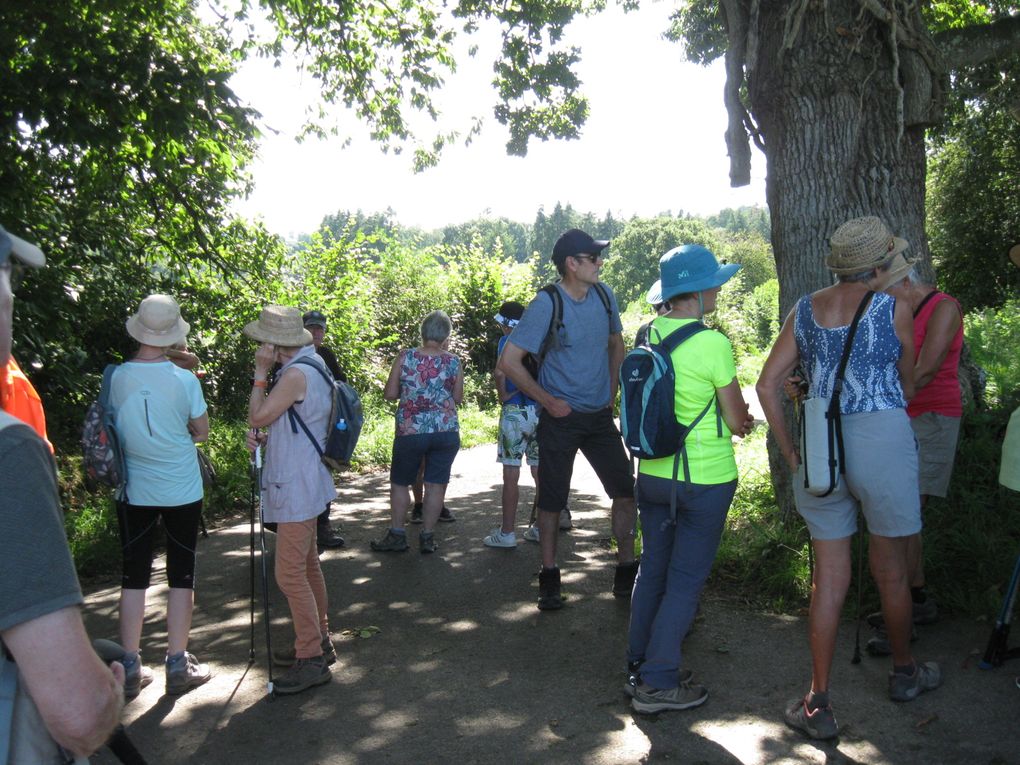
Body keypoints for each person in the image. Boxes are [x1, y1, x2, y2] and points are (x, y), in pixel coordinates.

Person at [756, 216, 941, 741]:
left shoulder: (805, 310)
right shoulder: (894, 307)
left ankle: (818, 702)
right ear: (880, 265)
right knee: (891, 570)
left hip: (821, 445)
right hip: (880, 438)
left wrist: (791, 452)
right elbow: (904, 387)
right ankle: (905, 673)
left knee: (829, 578)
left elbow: (768, 384)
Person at [0, 223, 123, 760]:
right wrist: (110, 693)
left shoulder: (116, 379)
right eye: (7, 294)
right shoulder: (8, 450)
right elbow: (79, 714)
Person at [626, 245, 754, 713]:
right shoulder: (711, 342)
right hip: (704, 480)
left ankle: (638, 666)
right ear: (696, 293)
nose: (718, 289)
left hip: (652, 476)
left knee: (652, 571)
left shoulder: (646, 333)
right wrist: (746, 424)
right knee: (684, 580)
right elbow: (736, 416)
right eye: (714, 283)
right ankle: (658, 682)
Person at [498, 228, 638, 610]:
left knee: (626, 491)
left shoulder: (605, 296)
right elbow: (509, 362)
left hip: (598, 417)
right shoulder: (547, 302)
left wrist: (611, 392)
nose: (600, 264)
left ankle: (626, 570)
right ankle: (549, 577)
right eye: (593, 259)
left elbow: (616, 344)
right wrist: (548, 402)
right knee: (552, 500)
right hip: (560, 419)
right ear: (571, 264)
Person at [112, 294, 213, 697]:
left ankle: (131, 664)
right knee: (181, 576)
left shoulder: (116, 376)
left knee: (133, 575)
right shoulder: (185, 380)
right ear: (174, 334)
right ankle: (176, 662)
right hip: (181, 488)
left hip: (133, 487)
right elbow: (201, 432)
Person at [862, 253, 963, 652]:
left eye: (885, 293)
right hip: (899, 417)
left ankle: (900, 618)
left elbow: (923, 370)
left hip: (932, 417)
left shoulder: (943, 308)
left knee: (904, 516)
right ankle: (914, 601)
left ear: (905, 284)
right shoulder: (895, 306)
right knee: (905, 516)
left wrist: (881, 401)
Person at [245, 305, 337, 695]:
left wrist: (260, 373)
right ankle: (320, 640)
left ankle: (311, 657)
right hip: (306, 477)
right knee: (308, 565)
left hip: (295, 484)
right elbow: (288, 419)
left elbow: (257, 416)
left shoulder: (294, 373)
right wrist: (268, 433)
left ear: (275, 343)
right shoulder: (312, 362)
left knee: (288, 574)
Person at [371, 310, 463, 554]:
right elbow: (458, 397)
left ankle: (398, 535)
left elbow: (390, 394)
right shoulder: (453, 361)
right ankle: (428, 537)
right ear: (446, 335)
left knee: (400, 483)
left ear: (422, 332)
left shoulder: (405, 357)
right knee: (436, 484)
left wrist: (412, 394)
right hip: (446, 430)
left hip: (411, 430)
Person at [484, 301, 540, 548]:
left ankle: (507, 533)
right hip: (540, 410)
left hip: (515, 412)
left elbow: (500, 373)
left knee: (511, 472)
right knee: (540, 471)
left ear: (506, 324)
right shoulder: (538, 341)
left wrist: (504, 395)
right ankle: (539, 527)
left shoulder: (507, 342)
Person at [302, 310, 346, 549]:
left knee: (321, 476)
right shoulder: (291, 355)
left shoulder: (327, 354)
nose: (317, 332)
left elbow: (343, 384)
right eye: (312, 328)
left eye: (321, 328)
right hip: (297, 429)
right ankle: (301, 529)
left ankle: (322, 527)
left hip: (324, 427)